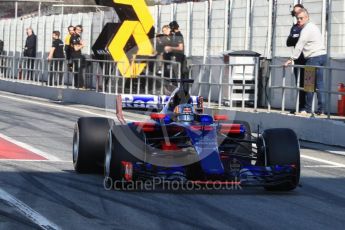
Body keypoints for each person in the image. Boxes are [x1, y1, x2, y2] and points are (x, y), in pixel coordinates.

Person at [284, 8, 327, 115]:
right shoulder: (313, 26)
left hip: (313, 58)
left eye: (301, 18)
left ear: (307, 17)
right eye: (298, 18)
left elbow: (299, 45)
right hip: (322, 56)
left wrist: (291, 59)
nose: (299, 20)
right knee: (319, 84)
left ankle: (307, 109)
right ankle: (321, 110)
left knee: (309, 84)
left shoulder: (306, 29)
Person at [286, 4, 307, 112]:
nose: (297, 16)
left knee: (309, 84)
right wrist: (298, 39)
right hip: (298, 59)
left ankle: (310, 108)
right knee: (299, 84)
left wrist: (297, 39)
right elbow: (288, 42)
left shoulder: (309, 27)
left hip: (309, 59)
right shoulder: (294, 27)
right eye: (295, 13)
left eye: (299, 13)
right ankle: (300, 107)